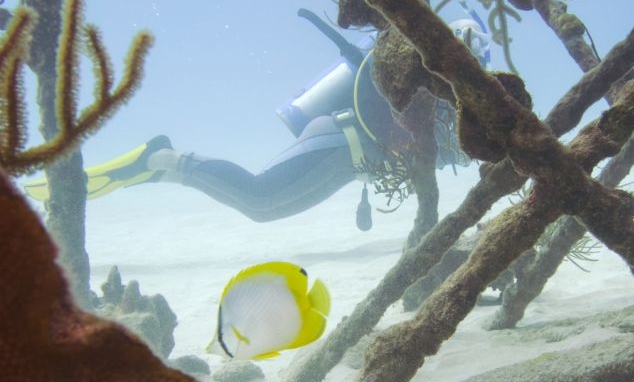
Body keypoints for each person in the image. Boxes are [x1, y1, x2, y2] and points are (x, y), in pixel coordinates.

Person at [26, 12, 491, 228]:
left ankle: (164, 168)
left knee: (262, 210)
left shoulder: (441, 91)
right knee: (260, 198)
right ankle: (165, 157)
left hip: (350, 158)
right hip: (339, 138)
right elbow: (395, 121)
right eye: (472, 53)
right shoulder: (418, 71)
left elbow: (438, 146)